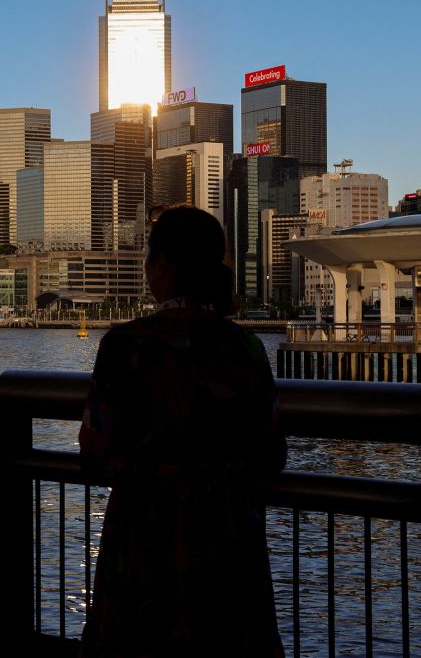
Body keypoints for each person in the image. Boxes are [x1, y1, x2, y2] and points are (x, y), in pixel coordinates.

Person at [79, 205, 286, 656]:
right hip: (229, 546)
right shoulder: (245, 347)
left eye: (150, 257)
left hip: (142, 544)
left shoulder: (124, 345)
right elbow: (272, 450)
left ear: (164, 267)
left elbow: (96, 446)